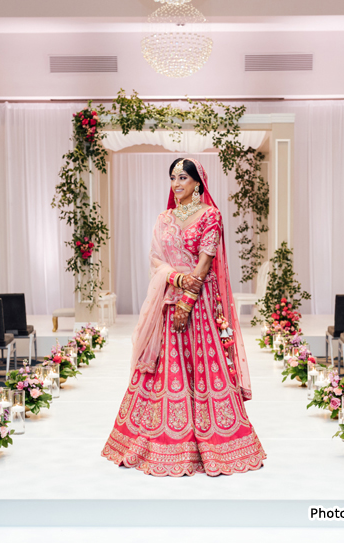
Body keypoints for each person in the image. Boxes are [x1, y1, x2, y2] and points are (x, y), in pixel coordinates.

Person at [101, 158, 266, 477]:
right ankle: (157, 439)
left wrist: (187, 301)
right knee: (164, 365)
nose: (177, 184)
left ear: (198, 183)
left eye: (183, 178)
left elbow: (205, 262)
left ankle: (212, 442)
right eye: (173, 178)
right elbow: (155, 260)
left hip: (199, 302)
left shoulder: (210, 215)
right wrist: (176, 280)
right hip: (168, 298)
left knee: (203, 363)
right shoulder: (164, 218)